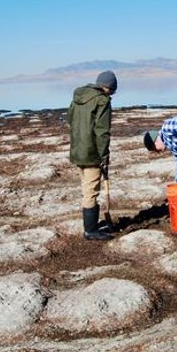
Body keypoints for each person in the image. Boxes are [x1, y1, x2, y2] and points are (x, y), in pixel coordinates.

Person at [67, 70, 117, 241]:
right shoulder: (102, 101)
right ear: (109, 88)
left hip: (77, 150)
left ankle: (92, 225)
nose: (112, 95)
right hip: (91, 153)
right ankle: (90, 231)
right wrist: (104, 155)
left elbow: (70, 121)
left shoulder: (78, 97)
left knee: (86, 187)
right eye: (113, 91)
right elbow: (102, 132)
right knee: (91, 191)